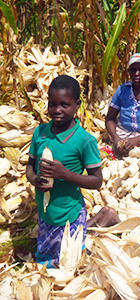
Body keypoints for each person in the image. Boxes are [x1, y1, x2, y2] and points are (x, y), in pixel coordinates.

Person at [26, 74, 103, 268]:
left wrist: (64, 174)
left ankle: (104, 220)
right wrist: (34, 179)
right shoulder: (40, 133)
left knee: (70, 264)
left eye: (64, 105)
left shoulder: (85, 140)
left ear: (77, 105)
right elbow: (29, 167)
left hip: (69, 215)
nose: (57, 110)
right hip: (46, 213)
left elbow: (96, 181)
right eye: (52, 104)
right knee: (45, 263)